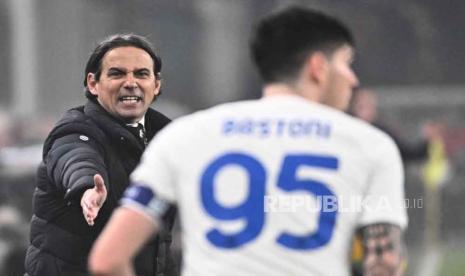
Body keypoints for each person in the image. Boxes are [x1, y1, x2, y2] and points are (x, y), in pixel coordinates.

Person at [89, 7, 407, 276]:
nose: (352, 78)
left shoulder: (185, 136)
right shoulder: (368, 145)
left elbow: (109, 258)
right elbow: (385, 262)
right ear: (318, 67)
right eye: (345, 63)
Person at [25, 34, 178, 276]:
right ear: (93, 84)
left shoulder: (169, 138)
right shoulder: (75, 129)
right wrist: (87, 188)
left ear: (156, 84)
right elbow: (76, 157)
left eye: (141, 74)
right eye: (117, 73)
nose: (130, 82)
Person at [349, 87, 441, 162]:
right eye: (361, 105)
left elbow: (406, 153)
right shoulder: (347, 131)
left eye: (368, 105)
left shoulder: (383, 133)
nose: (364, 111)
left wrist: (427, 142)